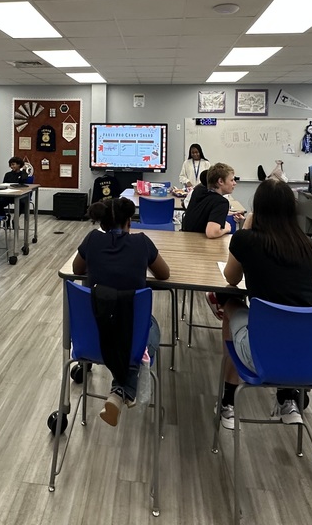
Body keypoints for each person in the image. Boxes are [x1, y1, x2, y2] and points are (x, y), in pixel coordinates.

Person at [217, 178, 312, 429]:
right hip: (307, 356)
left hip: (260, 353)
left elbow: (231, 278)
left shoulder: (246, 240)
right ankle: (288, 398)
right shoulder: (311, 248)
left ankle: (228, 400)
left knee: (229, 302)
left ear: (258, 208)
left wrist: (248, 227)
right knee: (292, 318)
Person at [72, 197, 170, 427]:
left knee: (127, 330)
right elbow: (164, 274)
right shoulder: (142, 243)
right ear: (129, 221)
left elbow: (77, 269)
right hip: (131, 334)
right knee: (148, 332)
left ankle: (119, 390)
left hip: (93, 335)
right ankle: (120, 391)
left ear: (102, 222)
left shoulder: (93, 239)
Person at [181, 162, 244, 238]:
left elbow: (204, 211)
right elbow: (211, 233)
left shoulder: (199, 190)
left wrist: (226, 212)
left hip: (186, 240)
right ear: (220, 181)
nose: (234, 183)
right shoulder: (222, 202)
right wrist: (227, 228)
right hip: (202, 245)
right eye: (232, 180)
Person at [0, 156, 29, 222]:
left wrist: (24, 170)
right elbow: (4, 184)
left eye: (13, 164)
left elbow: (24, 180)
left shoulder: (23, 174)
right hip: (8, 195)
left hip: (19, 195)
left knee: (23, 204)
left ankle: (15, 219)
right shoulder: (8, 174)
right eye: (10, 165)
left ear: (19, 165)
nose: (11, 166)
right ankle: (5, 218)